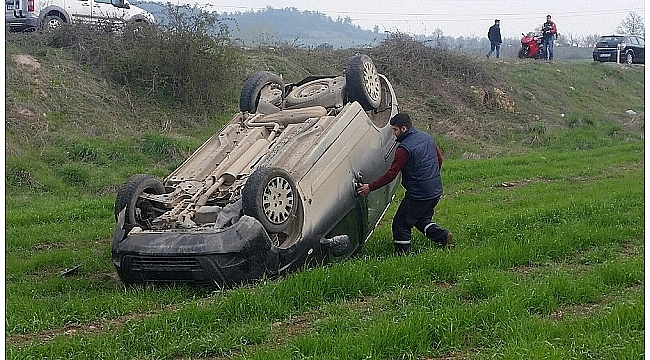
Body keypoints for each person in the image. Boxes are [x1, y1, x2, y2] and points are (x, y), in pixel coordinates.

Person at [356, 112, 453, 255]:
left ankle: (402, 255)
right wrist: (430, 177)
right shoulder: (427, 138)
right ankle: (443, 236)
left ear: (403, 129)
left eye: (395, 130)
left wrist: (369, 187)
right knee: (420, 219)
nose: (393, 133)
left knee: (400, 224)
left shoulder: (404, 149)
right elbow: (439, 159)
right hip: (435, 191)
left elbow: (391, 174)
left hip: (418, 195)